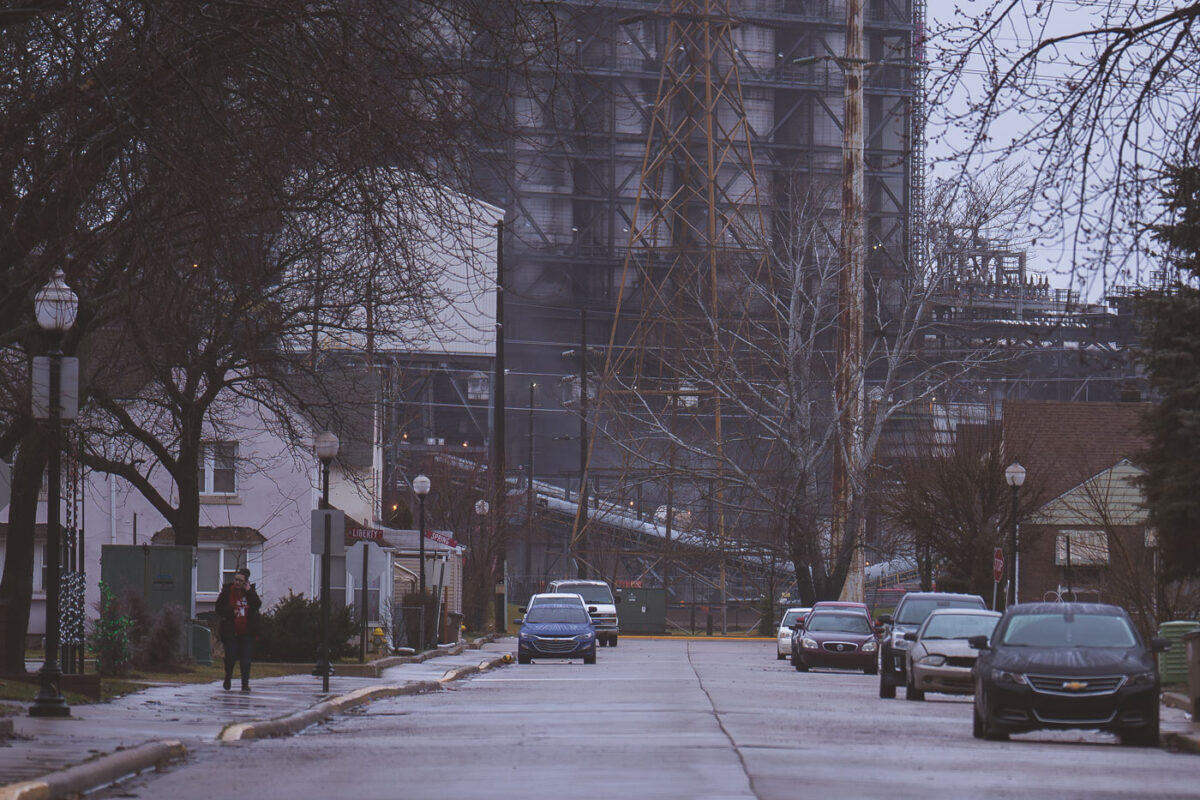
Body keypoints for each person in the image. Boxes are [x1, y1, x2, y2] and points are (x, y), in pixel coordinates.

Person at [216, 567, 262, 691]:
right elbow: (218, 608)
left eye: (240, 580)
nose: (237, 582)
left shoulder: (250, 592)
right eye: (236, 579)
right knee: (230, 657)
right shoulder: (227, 591)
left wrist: (249, 591)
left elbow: (257, 605)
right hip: (231, 632)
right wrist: (231, 612)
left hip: (247, 632)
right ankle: (228, 677)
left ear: (245, 582)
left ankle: (245, 684)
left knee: (246, 660)